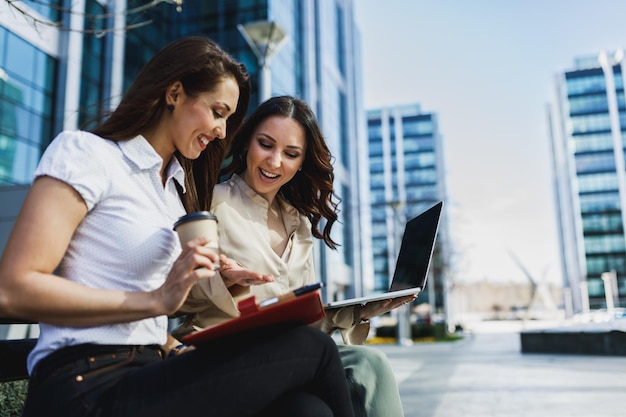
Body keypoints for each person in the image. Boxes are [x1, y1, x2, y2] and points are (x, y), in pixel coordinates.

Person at [0, 37, 355, 417]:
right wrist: (156, 302)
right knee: (313, 347)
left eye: (228, 119)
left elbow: (147, 306)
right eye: (218, 112)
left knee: (304, 409)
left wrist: (214, 287)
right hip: (85, 384)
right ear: (174, 93)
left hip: (152, 372)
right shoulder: (88, 154)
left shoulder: (174, 193)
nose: (222, 131)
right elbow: (13, 290)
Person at [175, 95, 413, 417]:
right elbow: (180, 298)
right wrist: (225, 280)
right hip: (227, 352)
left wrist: (362, 311)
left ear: (301, 163)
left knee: (370, 364)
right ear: (246, 143)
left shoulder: (298, 222)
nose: (274, 162)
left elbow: (302, 316)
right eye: (266, 144)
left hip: (291, 352)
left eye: (290, 154)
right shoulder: (213, 203)